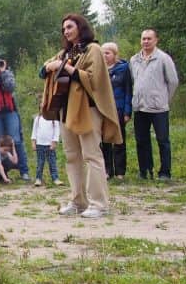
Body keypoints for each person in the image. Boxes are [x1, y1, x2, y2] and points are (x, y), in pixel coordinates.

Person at [42, 14, 121, 219]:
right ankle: (78, 201)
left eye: (70, 27)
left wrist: (66, 68)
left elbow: (94, 79)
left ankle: (99, 203)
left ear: (80, 27)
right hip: (67, 109)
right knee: (71, 156)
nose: (66, 31)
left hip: (88, 109)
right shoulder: (66, 52)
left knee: (91, 155)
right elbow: (44, 70)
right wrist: (50, 66)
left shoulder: (93, 49)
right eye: (64, 29)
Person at [130, 29, 179, 180]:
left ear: (156, 40)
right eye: (143, 39)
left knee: (163, 140)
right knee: (141, 141)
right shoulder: (134, 60)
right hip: (140, 107)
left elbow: (173, 81)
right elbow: (134, 80)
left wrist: (164, 99)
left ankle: (165, 172)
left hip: (159, 108)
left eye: (149, 39)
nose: (146, 41)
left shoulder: (163, 58)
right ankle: (145, 170)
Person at [0, 55, 30, 181]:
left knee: (16, 141)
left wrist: (3, 73)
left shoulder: (7, 73)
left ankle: (24, 171)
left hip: (10, 111)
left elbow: (10, 87)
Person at [100, 43, 132, 179]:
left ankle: (120, 172)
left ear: (115, 54)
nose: (105, 56)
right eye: (103, 53)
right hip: (103, 110)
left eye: (107, 53)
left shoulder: (123, 69)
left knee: (119, 141)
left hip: (118, 109)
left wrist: (127, 111)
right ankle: (108, 171)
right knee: (105, 141)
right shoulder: (99, 70)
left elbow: (128, 91)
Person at [31, 109, 62, 187]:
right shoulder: (37, 119)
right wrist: (33, 142)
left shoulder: (54, 119)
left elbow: (56, 131)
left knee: (52, 163)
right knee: (40, 163)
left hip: (50, 145)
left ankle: (55, 178)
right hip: (39, 144)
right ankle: (38, 179)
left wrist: (54, 142)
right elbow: (34, 132)